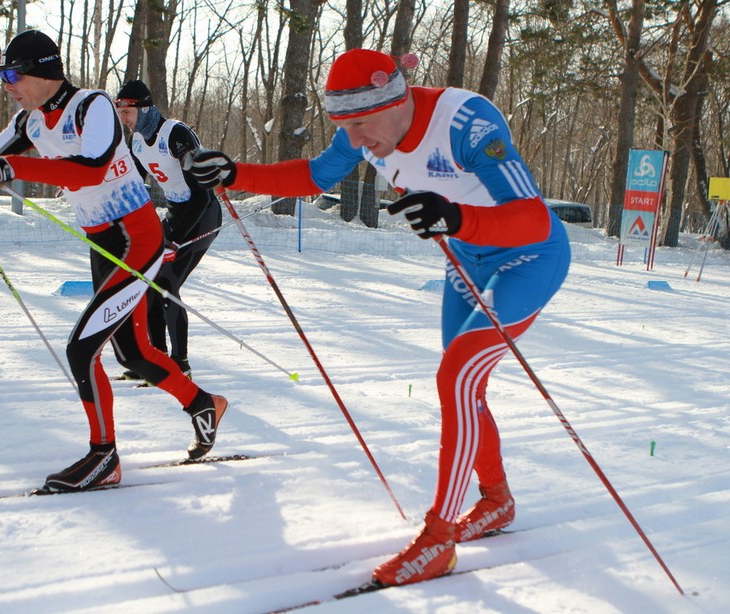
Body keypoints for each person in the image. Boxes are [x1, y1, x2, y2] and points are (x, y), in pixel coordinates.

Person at [186, 48, 570, 586]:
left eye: (362, 124)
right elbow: (316, 175)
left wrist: (455, 215)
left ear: (399, 99)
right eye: (345, 126)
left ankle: (438, 540)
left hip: (528, 256)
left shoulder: (467, 120)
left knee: (457, 374)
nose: (356, 140)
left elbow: (531, 218)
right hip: (465, 259)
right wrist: (235, 172)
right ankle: (497, 500)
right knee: (466, 386)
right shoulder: (360, 130)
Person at [0, 30, 228, 492]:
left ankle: (104, 457)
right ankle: (204, 404)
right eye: (2, 75)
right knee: (135, 352)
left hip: (138, 241)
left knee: (82, 349)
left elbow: (90, 166)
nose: (7, 83)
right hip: (103, 246)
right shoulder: (29, 122)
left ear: (43, 71)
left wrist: (13, 168)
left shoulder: (92, 107)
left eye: (13, 74)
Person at [113, 79, 222, 383]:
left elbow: (201, 194)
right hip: (176, 214)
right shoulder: (136, 141)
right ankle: (154, 358)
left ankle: (180, 364)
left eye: (127, 110)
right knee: (146, 281)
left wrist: (173, 240)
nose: (123, 117)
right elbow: (132, 184)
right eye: (119, 110)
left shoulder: (175, 134)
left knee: (167, 284)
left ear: (144, 108)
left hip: (203, 215)